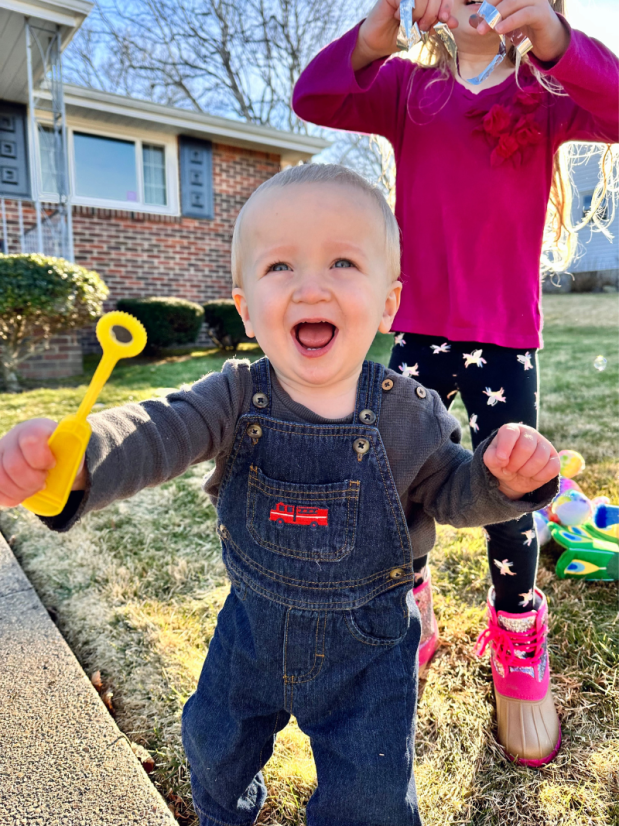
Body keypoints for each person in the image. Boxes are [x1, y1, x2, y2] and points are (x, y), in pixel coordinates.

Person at [0, 165, 561, 825]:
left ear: (388, 303)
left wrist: (502, 483)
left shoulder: (411, 411)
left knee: (370, 801)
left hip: (371, 647)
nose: (310, 286)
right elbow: (161, 428)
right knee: (213, 749)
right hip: (251, 629)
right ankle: (223, 812)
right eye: (279, 268)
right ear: (245, 307)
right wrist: (82, 457)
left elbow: (451, 493)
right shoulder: (233, 395)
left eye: (343, 262)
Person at [292, 0, 619, 766]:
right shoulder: (408, 88)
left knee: (512, 489)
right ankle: (410, 607)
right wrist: (379, 28)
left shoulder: (544, 93)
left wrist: (557, 41)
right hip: (418, 334)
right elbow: (313, 96)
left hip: (505, 338)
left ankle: (514, 634)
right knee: (395, 481)